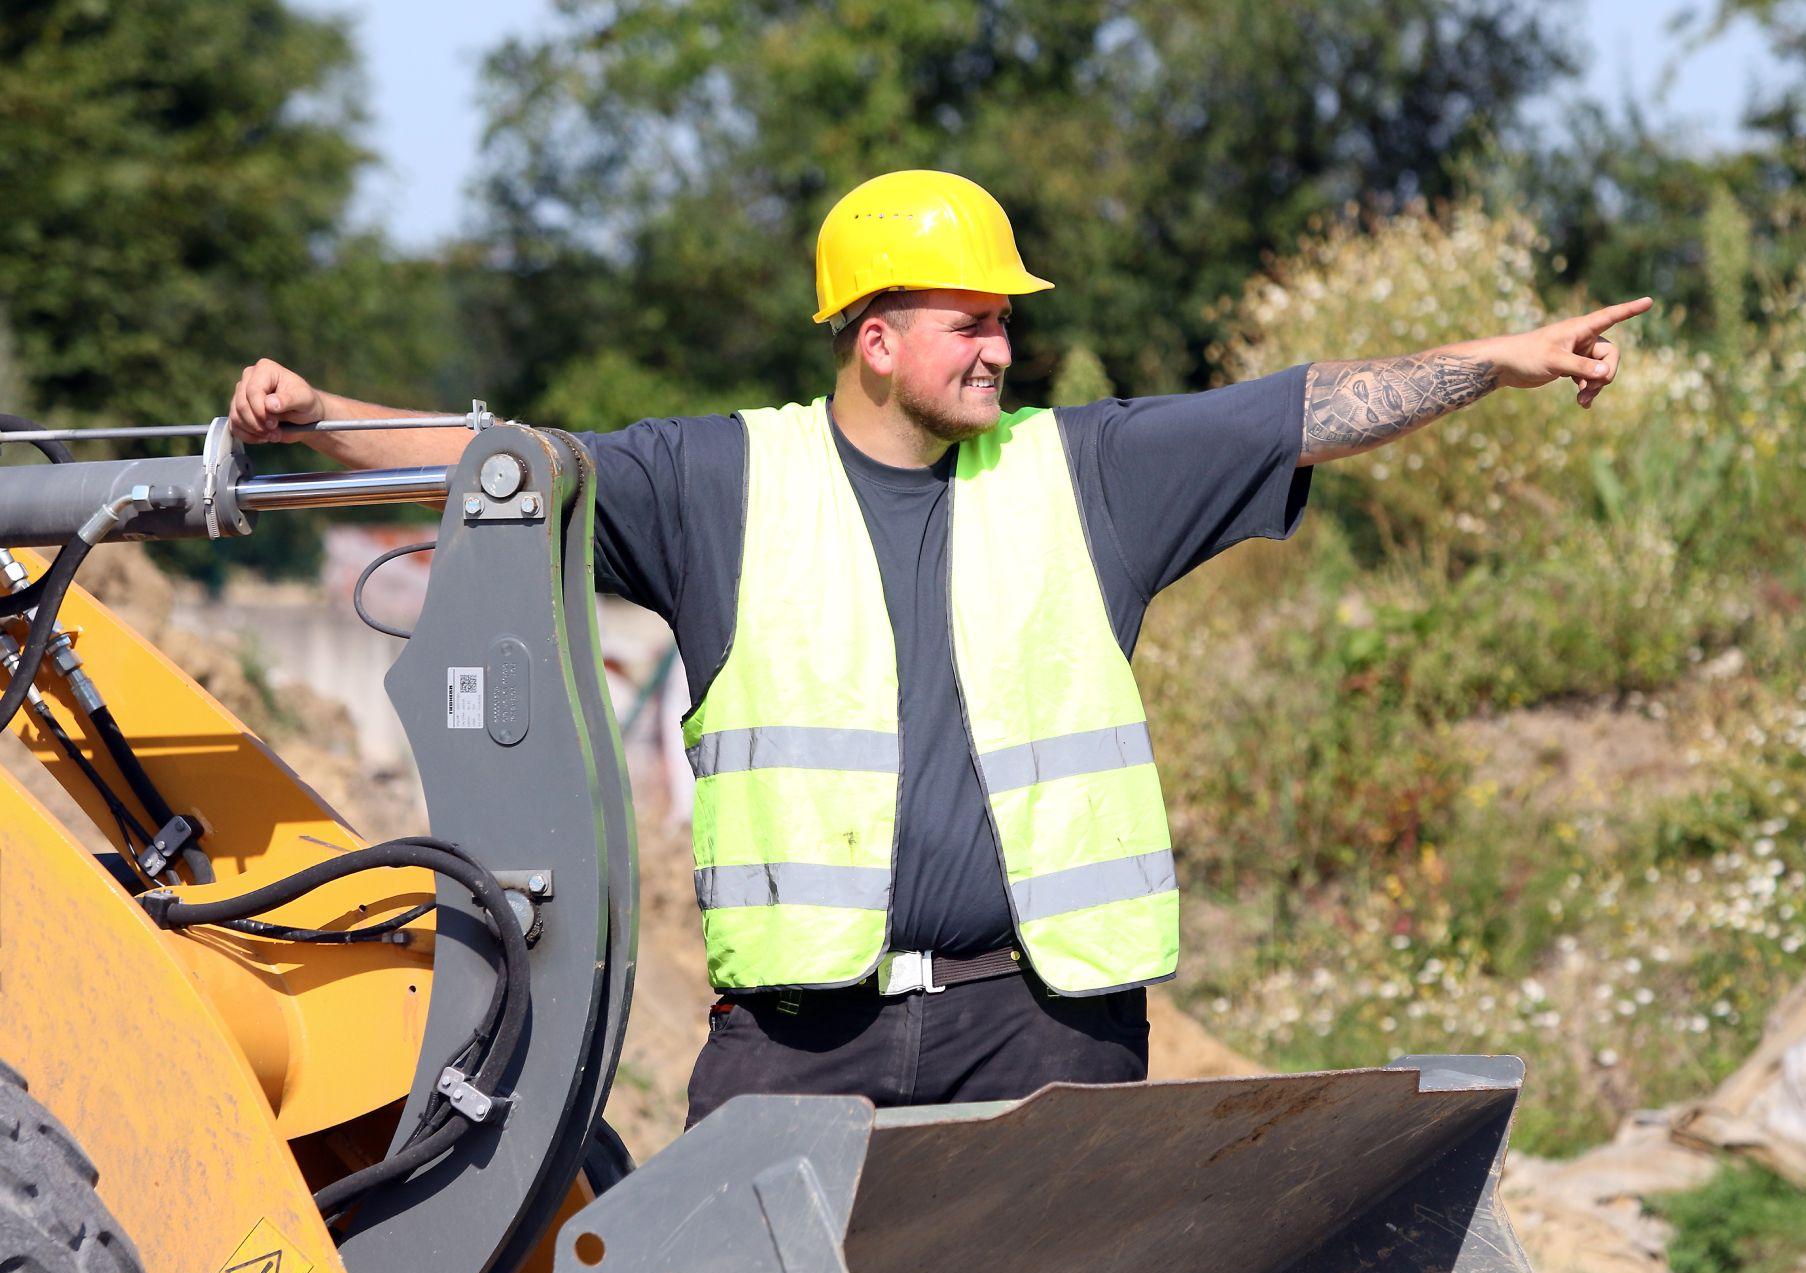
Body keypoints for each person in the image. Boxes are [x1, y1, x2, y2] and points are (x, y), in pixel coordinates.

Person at [230, 169, 1649, 1126]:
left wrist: (1502, 357)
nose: (998, 347)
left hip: (1041, 1029)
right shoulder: (716, 481)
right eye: (970, 321)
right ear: (876, 339)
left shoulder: (1090, 468)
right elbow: (504, 470)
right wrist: (319, 413)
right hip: (798, 1040)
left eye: (1001, 323)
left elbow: (1306, 407)